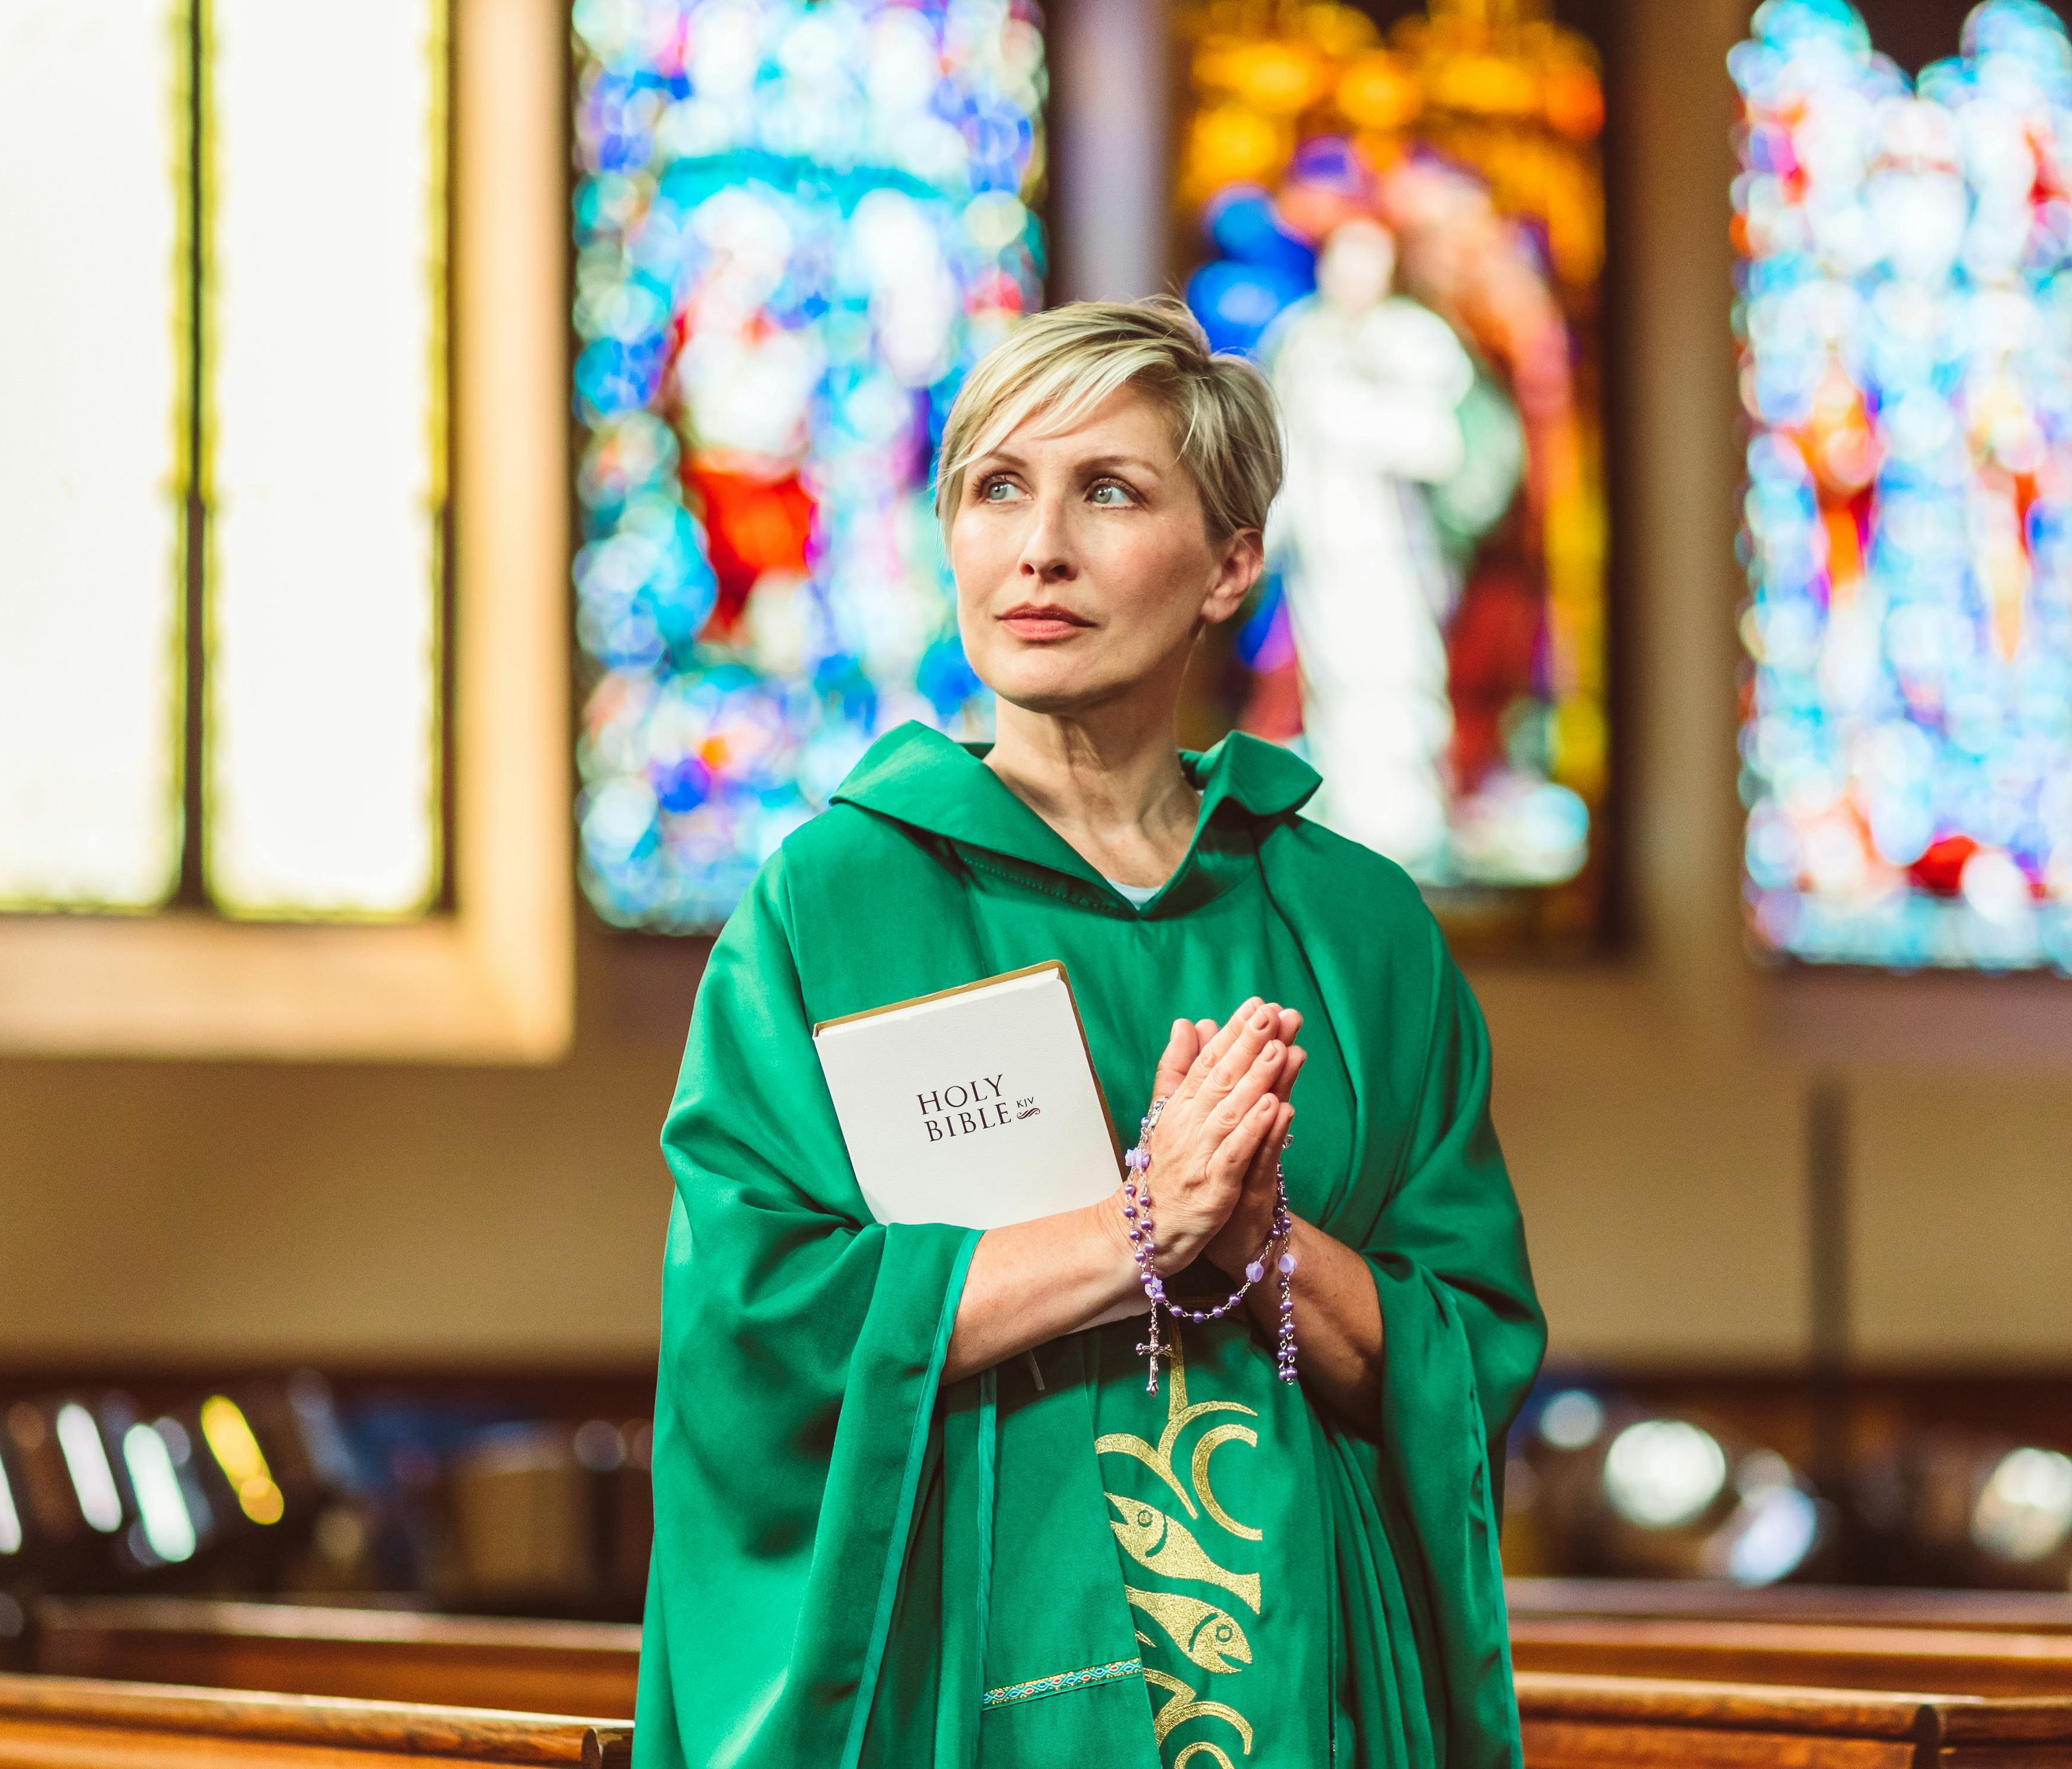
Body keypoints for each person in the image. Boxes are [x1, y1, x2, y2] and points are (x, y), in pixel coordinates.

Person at [640, 297, 1545, 1768]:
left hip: (1301, 1684)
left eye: (1106, 491)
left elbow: (1460, 1352)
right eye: (995, 487)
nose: (1035, 547)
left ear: (1230, 562)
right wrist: (1138, 1226)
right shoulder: (837, 900)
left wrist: (1260, 1239)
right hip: (970, 1676)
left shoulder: (1353, 924)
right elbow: (754, 1325)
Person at [1262, 218, 1481, 874]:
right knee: (1337, 686)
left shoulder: (1415, 341)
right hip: (1325, 555)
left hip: (1397, 557)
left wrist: (1349, 415)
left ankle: (1408, 831)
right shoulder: (1302, 338)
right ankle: (1354, 831)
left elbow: (1441, 446)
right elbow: (1283, 446)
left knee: (1399, 682)